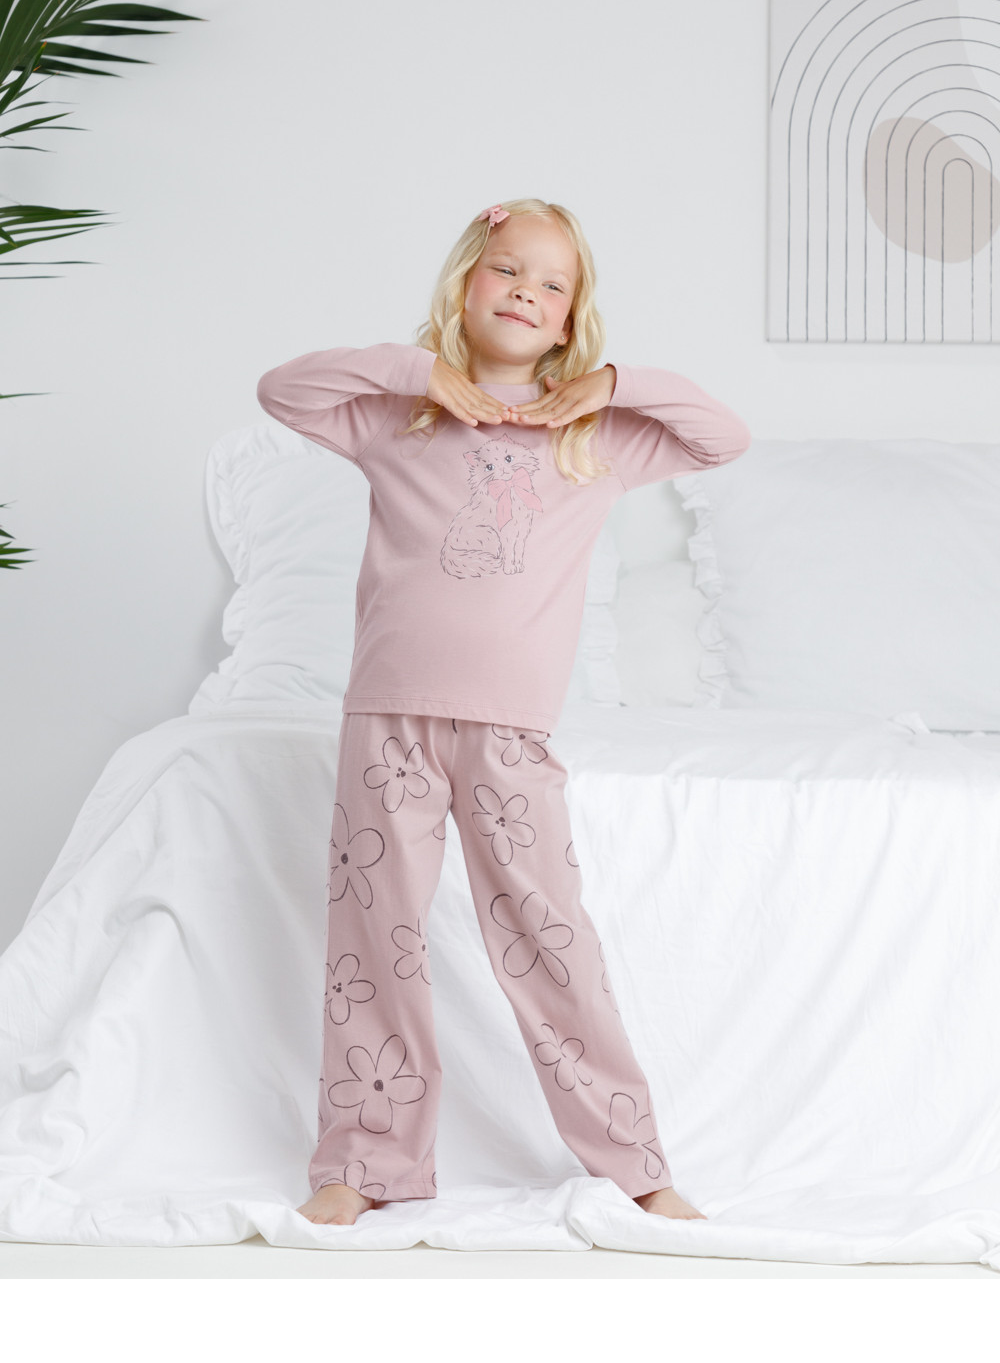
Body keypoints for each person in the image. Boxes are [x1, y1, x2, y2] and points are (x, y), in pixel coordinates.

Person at [255, 198, 752, 1228]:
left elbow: (722, 436)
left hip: (510, 731)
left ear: (570, 319)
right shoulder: (395, 416)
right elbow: (282, 389)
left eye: (552, 282)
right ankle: (363, 1160)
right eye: (507, 269)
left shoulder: (595, 438)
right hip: (388, 718)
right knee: (375, 941)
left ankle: (633, 1163)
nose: (526, 291)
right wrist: (414, 370)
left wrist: (610, 385)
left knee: (550, 940)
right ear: (466, 285)